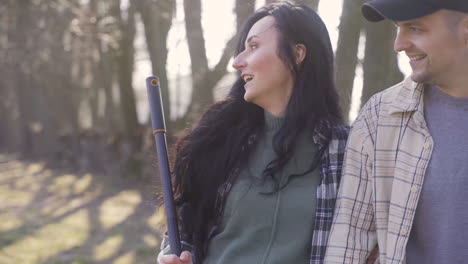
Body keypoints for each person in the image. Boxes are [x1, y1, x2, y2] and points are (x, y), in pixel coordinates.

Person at [157, 1, 349, 264]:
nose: (237, 62)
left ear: (297, 53)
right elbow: (184, 231)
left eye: (254, 46)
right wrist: (173, 255)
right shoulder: (219, 141)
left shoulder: (347, 152)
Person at [324, 0, 468, 263]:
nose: (399, 44)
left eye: (415, 28)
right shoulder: (380, 117)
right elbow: (350, 240)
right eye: (397, 28)